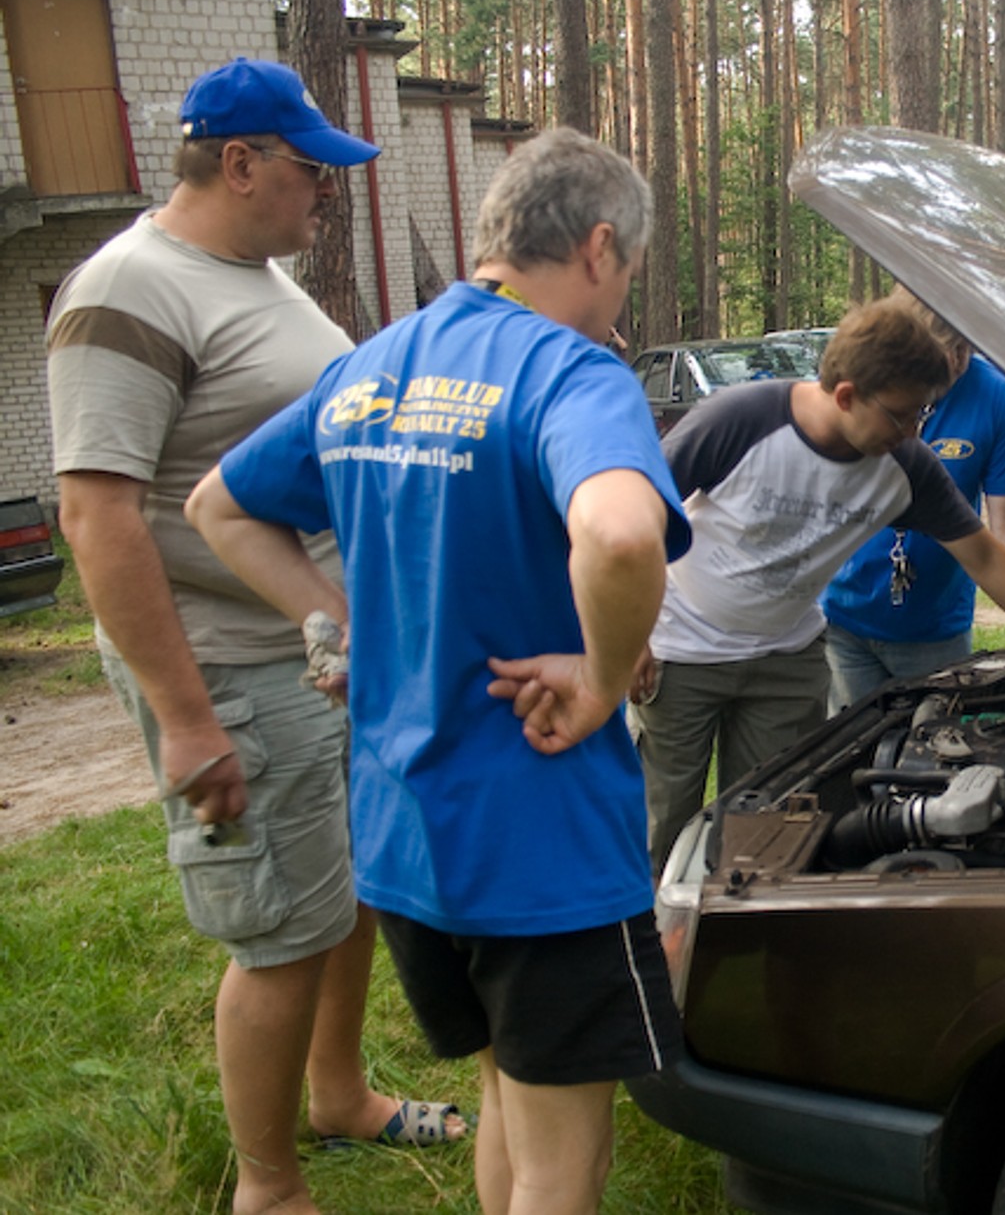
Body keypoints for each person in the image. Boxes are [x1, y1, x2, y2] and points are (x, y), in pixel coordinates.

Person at [187, 127, 690, 1215]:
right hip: (542, 842)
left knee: (506, 1094)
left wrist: (339, 625)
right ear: (599, 247)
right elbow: (616, 536)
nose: (620, 300)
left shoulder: (371, 368)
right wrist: (603, 678)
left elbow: (218, 507)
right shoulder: (570, 371)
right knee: (564, 1162)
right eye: (628, 273)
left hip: (409, 839)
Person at [45, 57, 463, 1215]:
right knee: (279, 929)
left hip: (311, 655)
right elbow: (98, 513)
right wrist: (185, 720)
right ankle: (267, 1188)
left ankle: (338, 1100)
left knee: (342, 891)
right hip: (228, 668)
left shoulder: (260, 278)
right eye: (308, 170)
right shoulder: (128, 288)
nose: (325, 191)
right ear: (239, 163)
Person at [631, 297, 1005, 868]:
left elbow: (988, 558)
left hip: (787, 658)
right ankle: (645, 943)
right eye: (902, 415)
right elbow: (636, 517)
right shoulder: (741, 419)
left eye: (922, 415)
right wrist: (629, 630)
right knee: (664, 824)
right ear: (846, 394)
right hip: (681, 650)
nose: (914, 432)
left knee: (767, 834)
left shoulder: (905, 464)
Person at [820, 288, 1005, 711]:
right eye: (947, 349)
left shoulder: (995, 398)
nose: (957, 361)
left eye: (966, 345)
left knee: (933, 757)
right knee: (855, 758)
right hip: (843, 619)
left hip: (936, 628)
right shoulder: (868, 381)